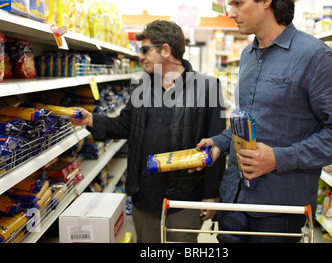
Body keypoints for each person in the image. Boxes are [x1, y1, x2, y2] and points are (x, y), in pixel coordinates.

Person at [197, 0, 332, 243]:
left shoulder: (314, 57)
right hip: (233, 199)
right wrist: (221, 143)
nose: (230, 12)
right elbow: (249, 121)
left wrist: (278, 159)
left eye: (237, 3)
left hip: (277, 211)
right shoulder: (248, 55)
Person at [70, 20, 227, 243]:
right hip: (145, 195)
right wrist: (92, 119)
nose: (140, 56)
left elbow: (217, 145)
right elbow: (126, 125)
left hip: (184, 199)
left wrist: (211, 195)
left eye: (145, 50)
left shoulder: (207, 87)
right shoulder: (142, 86)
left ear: (165, 50)